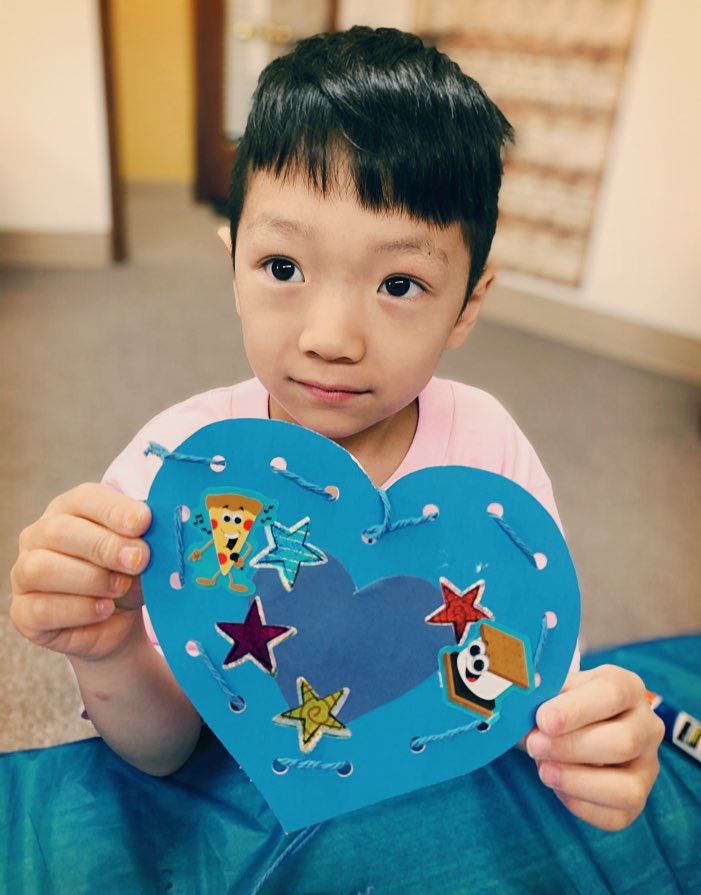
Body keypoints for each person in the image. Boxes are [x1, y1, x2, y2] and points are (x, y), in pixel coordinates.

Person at [10, 26, 662, 833]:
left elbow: (523, 688)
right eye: (282, 268)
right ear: (233, 265)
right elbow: (162, 752)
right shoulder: (174, 472)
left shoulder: (492, 464)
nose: (331, 337)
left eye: (400, 283)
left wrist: (591, 743)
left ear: (468, 305)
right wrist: (108, 649)